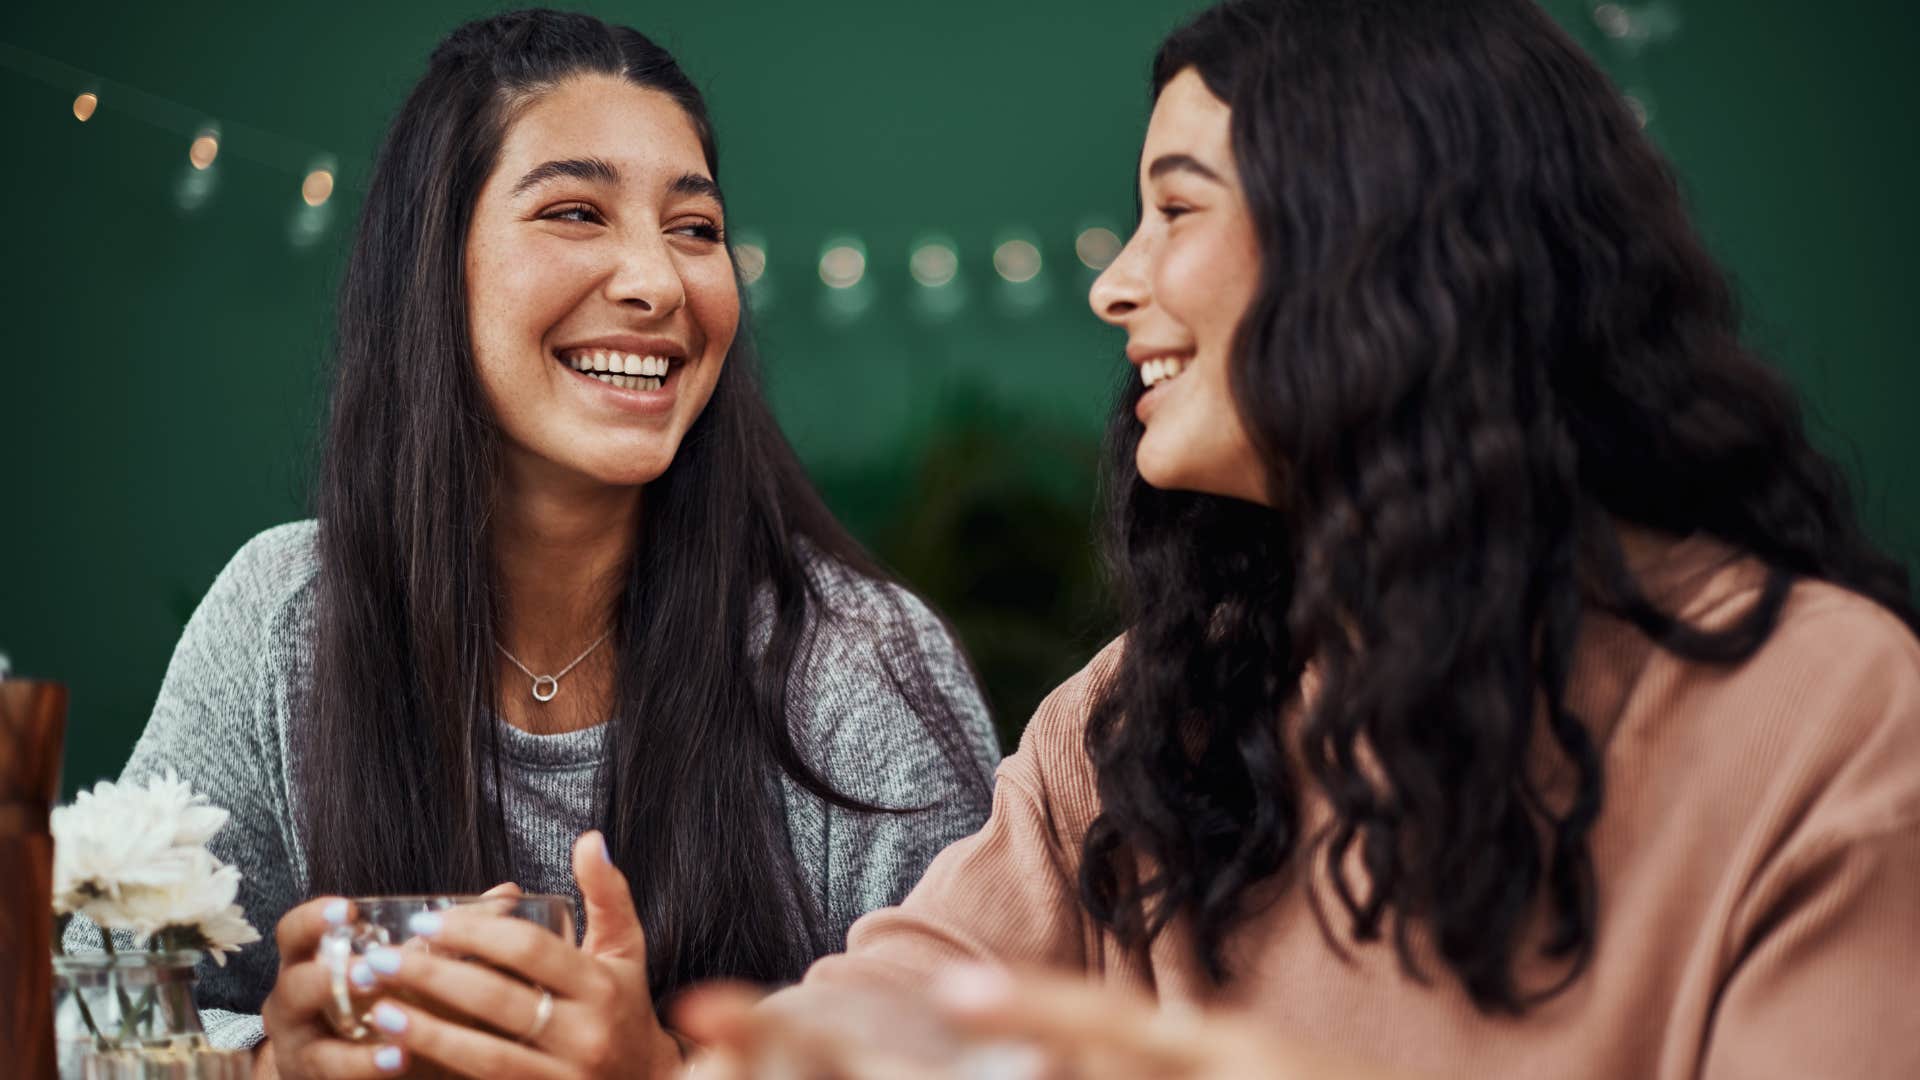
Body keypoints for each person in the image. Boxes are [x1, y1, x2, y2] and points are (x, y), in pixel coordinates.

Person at [678, 1, 1920, 1076]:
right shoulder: (1137, 720)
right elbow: (875, 1024)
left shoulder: (1822, 709)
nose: (1116, 285)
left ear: (1385, 246)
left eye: (1177, 209)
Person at [66, 10, 999, 1079]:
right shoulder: (287, 621)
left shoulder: (855, 667)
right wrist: (275, 1062)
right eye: (573, 212)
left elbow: (983, 1058)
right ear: (435, 264)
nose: (657, 281)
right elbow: (82, 1023)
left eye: (694, 228)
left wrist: (662, 1070)